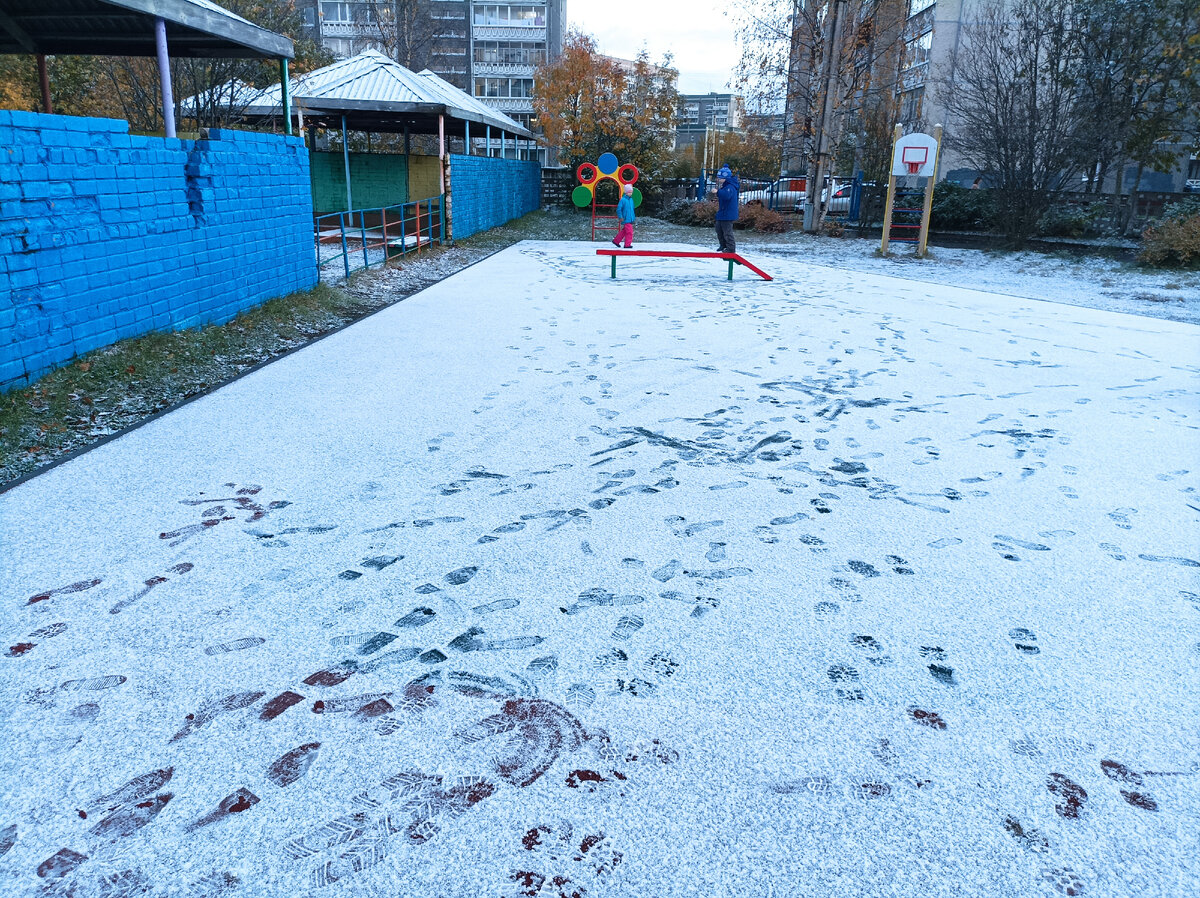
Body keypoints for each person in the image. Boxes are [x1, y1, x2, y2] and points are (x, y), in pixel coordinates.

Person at [715, 164, 740, 253]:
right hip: (723, 212)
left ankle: (731, 249)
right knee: (719, 229)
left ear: (724, 177)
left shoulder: (730, 187)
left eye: (719, 177)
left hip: (728, 214)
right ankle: (723, 245)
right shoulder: (726, 186)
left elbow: (726, 196)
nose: (718, 179)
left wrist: (718, 192)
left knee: (727, 232)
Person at [612, 183, 635, 249]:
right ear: (626, 193)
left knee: (624, 231)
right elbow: (619, 209)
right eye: (629, 192)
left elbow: (632, 210)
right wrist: (620, 217)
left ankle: (616, 241)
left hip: (629, 219)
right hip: (625, 219)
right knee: (629, 232)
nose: (631, 193)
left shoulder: (631, 200)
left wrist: (633, 218)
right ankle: (627, 244)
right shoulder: (623, 200)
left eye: (631, 192)